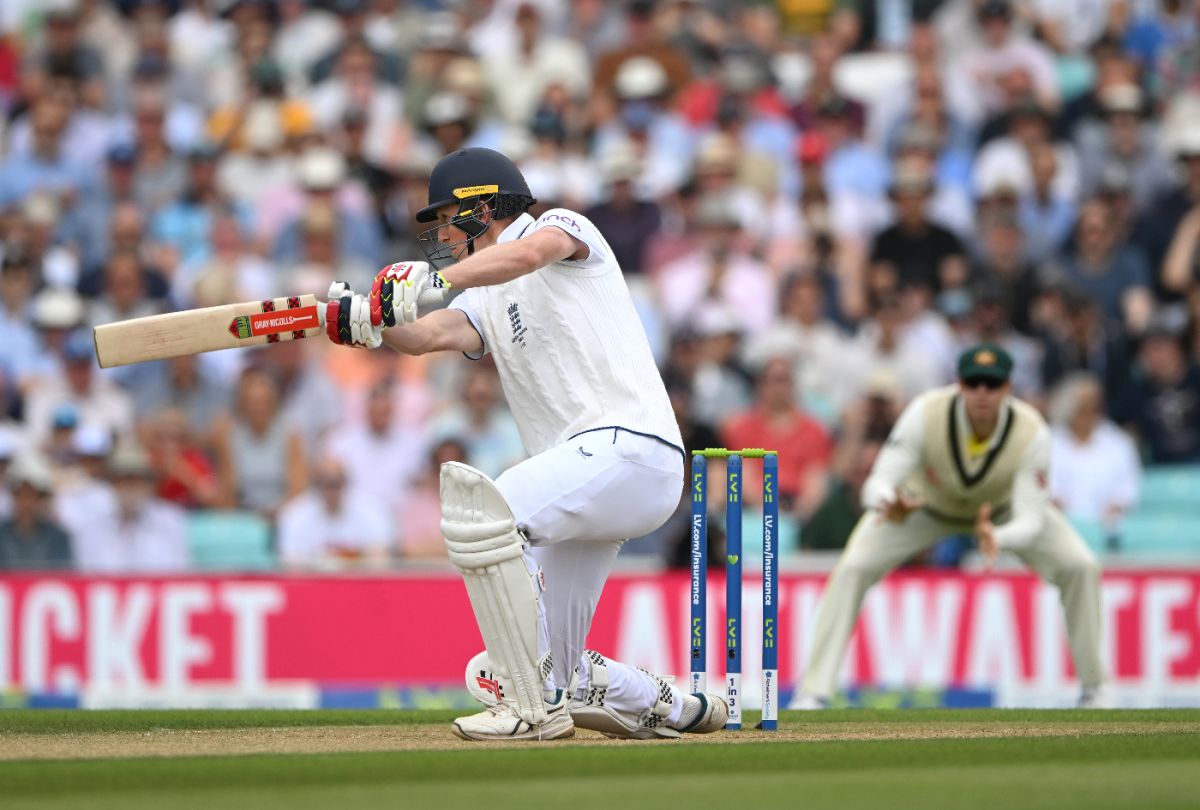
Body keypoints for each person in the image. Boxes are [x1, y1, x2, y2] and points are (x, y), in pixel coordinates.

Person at [319, 147, 727, 741]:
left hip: (630, 446)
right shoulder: (482, 297)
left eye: (441, 221)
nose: (437, 237)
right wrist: (367, 320)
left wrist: (432, 278)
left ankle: (531, 711)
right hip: (591, 479)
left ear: (480, 209)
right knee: (547, 667)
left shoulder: (565, 228)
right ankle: (670, 705)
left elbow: (528, 256)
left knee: (489, 512)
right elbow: (428, 333)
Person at [790, 344, 1107, 709]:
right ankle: (814, 691)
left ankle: (1095, 689)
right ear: (959, 384)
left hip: (1000, 512)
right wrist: (888, 502)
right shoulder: (926, 412)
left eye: (992, 384)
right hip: (922, 507)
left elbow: (1032, 519)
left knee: (1081, 567)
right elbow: (878, 482)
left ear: (1008, 387)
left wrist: (998, 536)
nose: (982, 393)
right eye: (974, 383)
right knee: (853, 567)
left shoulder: (1030, 429)